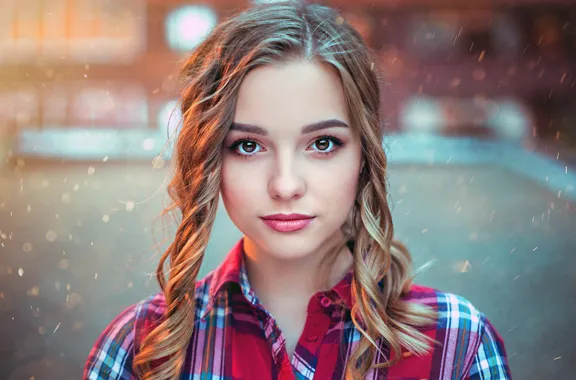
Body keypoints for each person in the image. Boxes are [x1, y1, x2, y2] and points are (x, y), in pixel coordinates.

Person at [83, 1, 511, 379]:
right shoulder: (137, 351)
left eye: (322, 144)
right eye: (248, 146)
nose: (285, 185)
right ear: (211, 158)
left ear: (365, 155)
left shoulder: (456, 347)